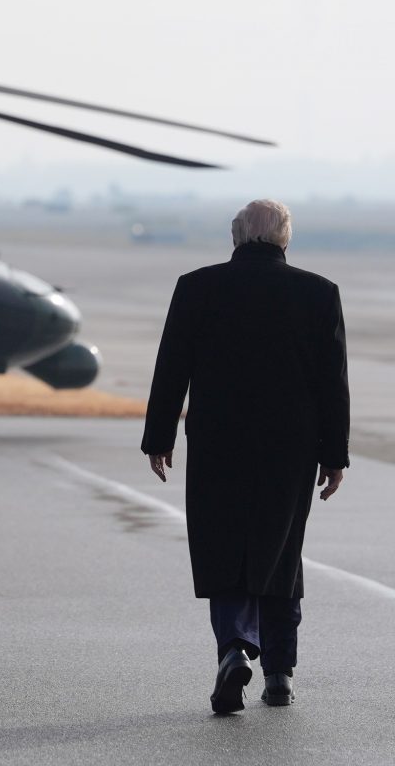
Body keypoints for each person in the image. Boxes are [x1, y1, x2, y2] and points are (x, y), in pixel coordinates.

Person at [141, 199, 350, 714]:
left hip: (218, 440)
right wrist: (335, 454)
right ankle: (279, 671)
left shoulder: (196, 287)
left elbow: (171, 367)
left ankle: (234, 647)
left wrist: (158, 437)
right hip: (290, 445)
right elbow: (333, 384)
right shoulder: (319, 292)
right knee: (281, 550)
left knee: (224, 547)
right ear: (285, 239)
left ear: (236, 237)